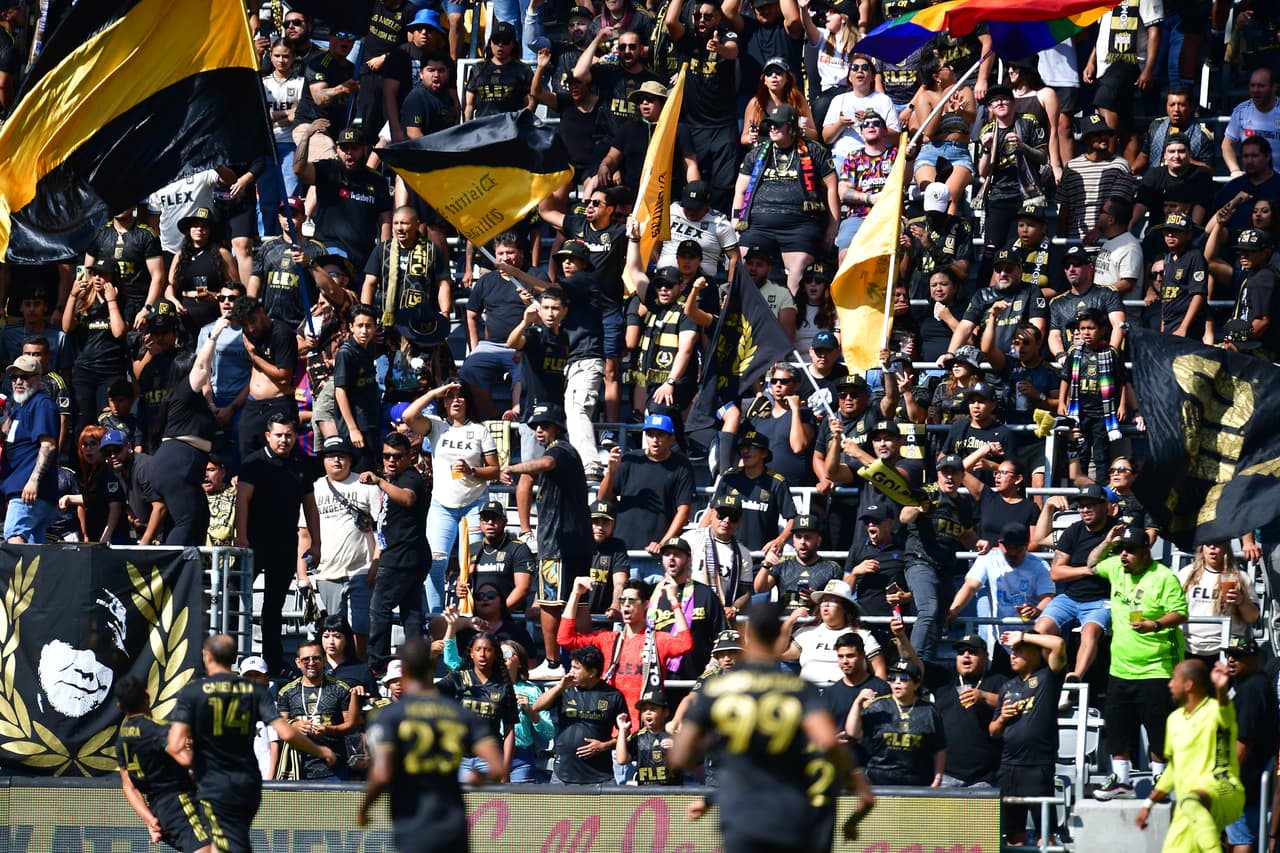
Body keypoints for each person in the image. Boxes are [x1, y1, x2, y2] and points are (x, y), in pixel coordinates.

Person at [671, 601, 875, 853]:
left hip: (741, 815)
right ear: (779, 632)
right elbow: (827, 741)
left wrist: (716, 739)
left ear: (749, 634)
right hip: (791, 816)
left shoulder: (716, 689)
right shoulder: (800, 689)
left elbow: (680, 756)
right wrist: (859, 783)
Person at [167, 635, 334, 853]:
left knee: (228, 843)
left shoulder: (193, 692)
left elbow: (174, 744)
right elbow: (286, 733)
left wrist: (191, 765)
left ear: (207, 657)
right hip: (248, 783)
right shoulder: (254, 692)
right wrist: (319, 749)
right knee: (223, 842)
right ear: (234, 658)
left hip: (213, 783)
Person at [356, 637, 504, 847]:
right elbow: (498, 766)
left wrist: (363, 810)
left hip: (412, 823)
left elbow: (382, 773)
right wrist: (480, 775)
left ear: (403, 671)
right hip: (453, 825)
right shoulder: (460, 713)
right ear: (434, 667)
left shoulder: (389, 716)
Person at [1089, 524, 1189, 801]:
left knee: (1157, 726)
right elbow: (1092, 563)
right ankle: (1121, 781)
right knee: (1118, 725)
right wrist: (1108, 540)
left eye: (1130, 550)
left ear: (1146, 551)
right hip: (1120, 667)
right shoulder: (1116, 568)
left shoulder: (1164, 577)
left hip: (1157, 667)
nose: (1124, 555)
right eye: (1121, 549)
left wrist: (1154, 624)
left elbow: (1180, 613)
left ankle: (1160, 777)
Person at [499, 403, 591, 680]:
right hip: (579, 543)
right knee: (581, 604)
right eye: (536, 426)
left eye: (545, 425)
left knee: (550, 604)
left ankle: (553, 663)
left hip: (557, 543)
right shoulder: (569, 452)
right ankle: (586, 661)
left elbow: (547, 463)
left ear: (557, 427)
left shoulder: (559, 450)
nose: (539, 430)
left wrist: (514, 466)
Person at [402, 381, 500, 614]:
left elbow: (495, 470)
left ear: (468, 402)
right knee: (435, 565)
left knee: (474, 565)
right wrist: (436, 392)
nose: (455, 400)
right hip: (441, 506)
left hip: (474, 503)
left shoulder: (480, 430)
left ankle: (471, 614)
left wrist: (472, 470)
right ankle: (437, 616)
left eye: (460, 396)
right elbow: (408, 416)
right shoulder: (435, 426)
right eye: (449, 397)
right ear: (443, 403)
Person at [236, 414, 320, 674]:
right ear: (268, 436)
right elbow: (242, 500)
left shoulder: (301, 464)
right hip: (253, 544)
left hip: (285, 544)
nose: (284, 440)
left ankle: (272, 663)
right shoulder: (253, 462)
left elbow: (311, 506)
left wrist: (316, 543)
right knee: (235, 603)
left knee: (274, 608)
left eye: (289, 435)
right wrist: (241, 536)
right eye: (279, 435)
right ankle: (231, 658)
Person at [1136, 660, 1245, 853]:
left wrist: (1221, 690)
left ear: (1188, 685)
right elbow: (1174, 768)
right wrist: (1149, 804)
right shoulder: (1174, 719)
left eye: (1174, 679)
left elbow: (1225, 714)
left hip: (1222, 788)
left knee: (1191, 801)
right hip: (1189, 803)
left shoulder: (1215, 709)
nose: (1170, 684)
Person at [557, 575, 691, 727]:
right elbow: (565, 639)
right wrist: (575, 594)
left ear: (646, 604)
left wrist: (674, 601)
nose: (626, 604)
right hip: (610, 729)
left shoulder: (659, 640)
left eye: (632, 600)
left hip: (644, 729)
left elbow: (685, 644)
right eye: (622, 600)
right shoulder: (607, 639)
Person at [114, 675, 211, 853]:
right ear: (147, 695)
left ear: (119, 705)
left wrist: (149, 820)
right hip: (179, 803)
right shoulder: (156, 729)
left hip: (160, 808)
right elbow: (186, 759)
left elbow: (129, 787)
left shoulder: (121, 741)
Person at [990, 629, 1068, 847]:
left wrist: (1023, 636)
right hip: (1008, 766)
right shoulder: (1007, 686)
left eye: (1019, 650)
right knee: (1013, 836)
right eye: (1011, 651)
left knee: (1047, 834)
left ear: (1035, 653)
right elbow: (993, 731)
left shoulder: (1048, 677)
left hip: (1037, 765)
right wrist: (1002, 718)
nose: (1012, 655)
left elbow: (1058, 644)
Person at [1033, 485, 1116, 690]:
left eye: (1090, 506)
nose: (1084, 510)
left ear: (1105, 506)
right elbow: (1056, 572)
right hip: (1069, 598)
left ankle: (1075, 681)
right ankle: (1060, 675)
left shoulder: (1117, 531)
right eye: (1081, 506)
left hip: (1102, 600)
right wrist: (1088, 571)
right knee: (1040, 629)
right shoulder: (1073, 531)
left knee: (1090, 631)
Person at [305, 435, 381, 657]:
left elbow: (382, 528)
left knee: (361, 626)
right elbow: (303, 533)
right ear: (323, 460)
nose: (336, 460)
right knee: (331, 629)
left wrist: (377, 561)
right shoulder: (314, 488)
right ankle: (334, 671)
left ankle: (360, 668)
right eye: (330, 456)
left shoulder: (366, 484)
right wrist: (302, 573)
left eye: (341, 455)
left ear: (351, 459)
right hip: (326, 569)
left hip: (362, 567)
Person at [363, 431, 430, 676]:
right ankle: (416, 660)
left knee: (380, 607)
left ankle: (378, 662)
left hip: (402, 556)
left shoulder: (409, 478)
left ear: (410, 457)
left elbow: (409, 499)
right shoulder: (398, 478)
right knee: (411, 612)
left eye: (396, 456)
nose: (390, 461)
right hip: (410, 555)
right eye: (386, 456)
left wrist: (380, 482)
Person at [947, 523, 1054, 666]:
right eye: (1008, 547)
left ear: (1027, 546)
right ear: (999, 544)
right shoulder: (988, 558)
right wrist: (953, 610)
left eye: (1018, 548)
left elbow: (1048, 597)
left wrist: (1037, 610)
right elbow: (970, 587)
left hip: (1029, 639)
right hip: (999, 640)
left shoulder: (1039, 565)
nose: (1013, 552)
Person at [597, 413, 695, 565]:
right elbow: (603, 500)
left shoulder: (682, 466)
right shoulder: (630, 459)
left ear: (672, 438)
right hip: (622, 552)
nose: (655, 440)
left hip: (656, 555)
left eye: (660, 435)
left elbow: (684, 511)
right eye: (650, 434)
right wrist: (611, 471)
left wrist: (664, 543)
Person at [532, 645, 628, 785]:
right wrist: (560, 686)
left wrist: (604, 746)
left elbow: (626, 733)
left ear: (592, 672)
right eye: (571, 667)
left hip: (599, 778)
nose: (571, 672)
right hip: (563, 775)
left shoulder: (613, 696)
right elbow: (536, 706)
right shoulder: (565, 690)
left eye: (576, 668)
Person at [847, 657, 947, 788]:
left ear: (916, 684)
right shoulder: (878, 706)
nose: (897, 682)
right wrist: (858, 702)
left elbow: (940, 748)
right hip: (880, 780)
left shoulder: (929, 710)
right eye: (893, 678)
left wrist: (938, 776)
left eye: (904, 678)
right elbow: (852, 733)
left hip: (918, 782)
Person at [435, 631, 518, 783]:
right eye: (478, 649)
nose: (482, 654)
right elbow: (426, 691)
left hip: (489, 759)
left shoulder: (504, 686)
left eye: (488, 650)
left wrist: (505, 770)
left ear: (495, 654)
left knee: (487, 806)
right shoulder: (457, 679)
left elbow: (509, 730)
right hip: (458, 758)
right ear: (471, 653)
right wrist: (431, 655)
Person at [276, 641, 363, 780]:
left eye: (316, 658)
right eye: (306, 659)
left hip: (333, 765)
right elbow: (279, 726)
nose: (311, 662)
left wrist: (327, 730)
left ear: (324, 660)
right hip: (297, 768)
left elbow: (351, 726)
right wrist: (293, 725)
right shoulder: (287, 692)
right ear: (298, 662)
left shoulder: (340, 688)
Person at [1, 354, 60, 543]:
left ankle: (14, 574)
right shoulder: (20, 406)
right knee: (35, 550)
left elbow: (48, 445)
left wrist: (33, 481)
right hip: (23, 490)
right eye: (14, 377)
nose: (18, 381)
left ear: (38, 378)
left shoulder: (42, 403)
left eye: (24, 377)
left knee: (14, 536)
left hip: (28, 492)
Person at [1177, 542, 1259, 663]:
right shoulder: (1185, 574)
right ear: (1202, 548)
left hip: (1228, 646)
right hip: (1188, 646)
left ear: (1226, 548)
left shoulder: (1240, 577)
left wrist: (1241, 601)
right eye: (1208, 544)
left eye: (1218, 544)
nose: (1212, 547)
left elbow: (1253, 617)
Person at [615, 690, 680, 786]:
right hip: (645, 792)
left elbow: (695, 761)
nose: (648, 713)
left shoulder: (675, 735)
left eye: (653, 708)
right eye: (644, 709)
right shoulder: (637, 737)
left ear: (665, 712)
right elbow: (621, 760)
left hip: (672, 791)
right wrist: (622, 730)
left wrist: (678, 746)